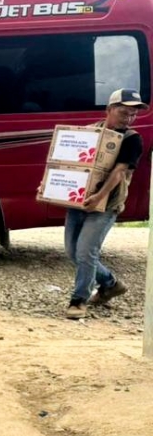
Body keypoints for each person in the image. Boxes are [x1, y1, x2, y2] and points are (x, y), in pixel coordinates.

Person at [59, 88, 147, 320]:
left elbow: (119, 172)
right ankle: (110, 283)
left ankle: (79, 301)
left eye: (133, 114)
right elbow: (65, 163)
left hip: (106, 204)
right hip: (77, 200)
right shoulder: (88, 133)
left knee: (86, 251)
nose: (129, 117)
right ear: (109, 109)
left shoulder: (132, 139)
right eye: (124, 111)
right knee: (72, 252)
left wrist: (98, 198)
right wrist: (49, 187)